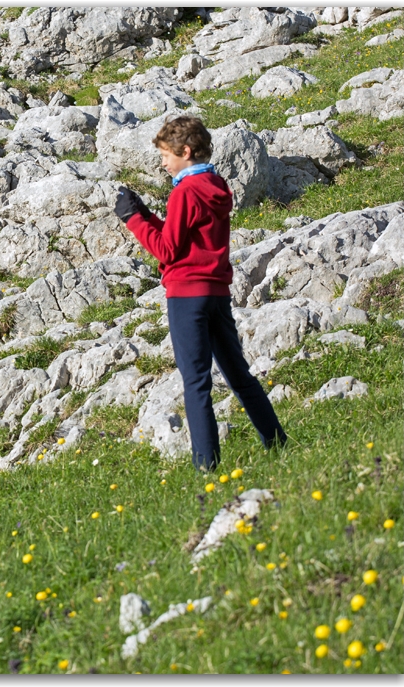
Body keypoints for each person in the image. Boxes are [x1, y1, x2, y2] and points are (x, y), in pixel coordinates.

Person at [113, 115, 287, 472]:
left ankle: (206, 466)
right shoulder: (213, 184)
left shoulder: (184, 192)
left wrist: (133, 219)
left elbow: (167, 250)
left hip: (186, 296)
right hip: (216, 293)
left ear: (185, 151)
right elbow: (184, 237)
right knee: (239, 375)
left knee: (196, 382)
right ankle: (277, 442)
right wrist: (146, 212)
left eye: (165, 155)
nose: (162, 162)